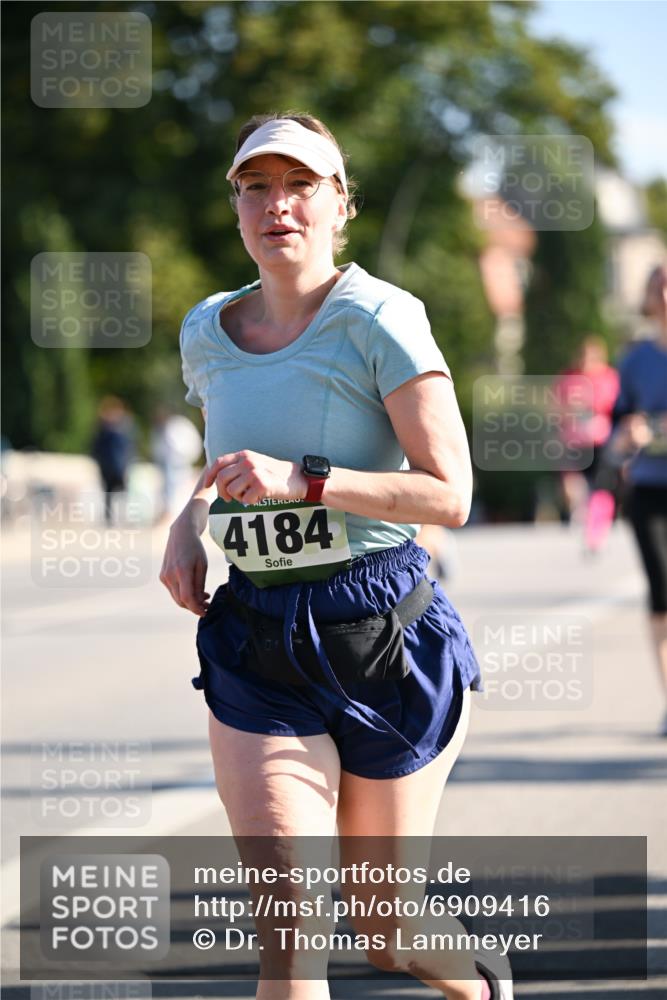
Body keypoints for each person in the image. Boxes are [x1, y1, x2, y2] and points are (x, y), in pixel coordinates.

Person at [160, 112, 512, 1000]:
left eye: (300, 185)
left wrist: (305, 479)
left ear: (339, 205)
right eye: (256, 187)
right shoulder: (206, 330)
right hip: (258, 640)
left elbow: (449, 495)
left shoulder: (380, 316)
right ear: (235, 206)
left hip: (381, 634)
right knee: (289, 934)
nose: (277, 205)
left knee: (386, 930)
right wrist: (188, 517)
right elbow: (230, 455)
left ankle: (480, 984)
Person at [611, 264, 667, 735]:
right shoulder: (634, 360)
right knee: (662, 592)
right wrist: (626, 435)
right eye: (657, 285)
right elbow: (612, 435)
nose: (665, 292)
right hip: (649, 488)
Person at [553, 336, 620, 552]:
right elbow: (556, 408)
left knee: (601, 487)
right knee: (572, 486)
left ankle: (595, 530)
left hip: (600, 441)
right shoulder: (568, 378)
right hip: (573, 441)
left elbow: (616, 408)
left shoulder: (610, 378)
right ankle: (580, 514)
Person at [90, 396, 135, 525]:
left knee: (123, 493)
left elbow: (129, 448)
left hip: (120, 466)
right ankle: (109, 518)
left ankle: (126, 517)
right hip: (108, 467)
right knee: (109, 493)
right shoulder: (103, 430)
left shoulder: (124, 429)